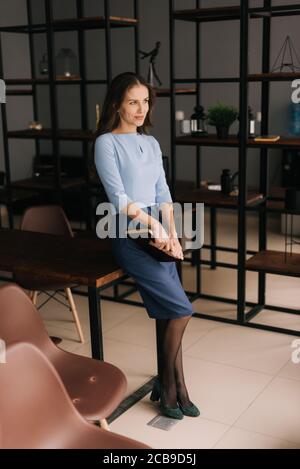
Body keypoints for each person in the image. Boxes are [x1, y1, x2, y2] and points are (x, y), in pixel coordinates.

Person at [94, 72, 200, 420]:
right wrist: (153, 225)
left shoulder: (151, 143)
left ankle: (177, 385)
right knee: (181, 309)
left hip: (158, 235)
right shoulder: (106, 143)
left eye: (145, 101)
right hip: (129, 233)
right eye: (132, 102)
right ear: (116, 105)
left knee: (171, 311)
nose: (141, 109)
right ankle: (170, 385)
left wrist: (170, 233)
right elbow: (118, 197)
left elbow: (163, 194)